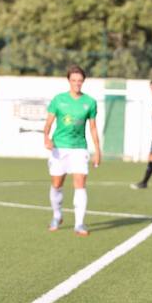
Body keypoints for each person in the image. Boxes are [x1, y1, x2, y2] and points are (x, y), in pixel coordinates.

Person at [42, 65, 102, 236]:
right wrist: (46, 138)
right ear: (69, 81)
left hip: (79, 148)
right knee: (56, 184)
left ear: (83, 81)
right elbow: (48, 124)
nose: (77, 83)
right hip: (59, 148)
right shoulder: (58, 100)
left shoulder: (89, 102)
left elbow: (92, 128)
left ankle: (79, 223)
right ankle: (57, 215)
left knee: (80, 184)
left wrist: (97, 150)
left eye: (80, 80)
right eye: (74, 80)